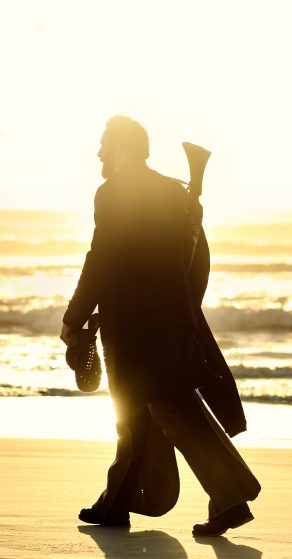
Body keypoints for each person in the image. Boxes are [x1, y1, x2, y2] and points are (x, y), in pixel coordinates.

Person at [60, 115, 261, 536]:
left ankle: (229, 494)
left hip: (134, 328)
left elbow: (102, 258)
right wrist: (185, 310)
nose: (98, 153)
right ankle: (121, 502)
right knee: (144, 412)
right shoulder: (175, 193)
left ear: (121, 148)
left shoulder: (113, 193)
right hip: (169, 323)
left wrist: (74, 316)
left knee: (165, 411)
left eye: (104, 144)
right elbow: (197, 262)